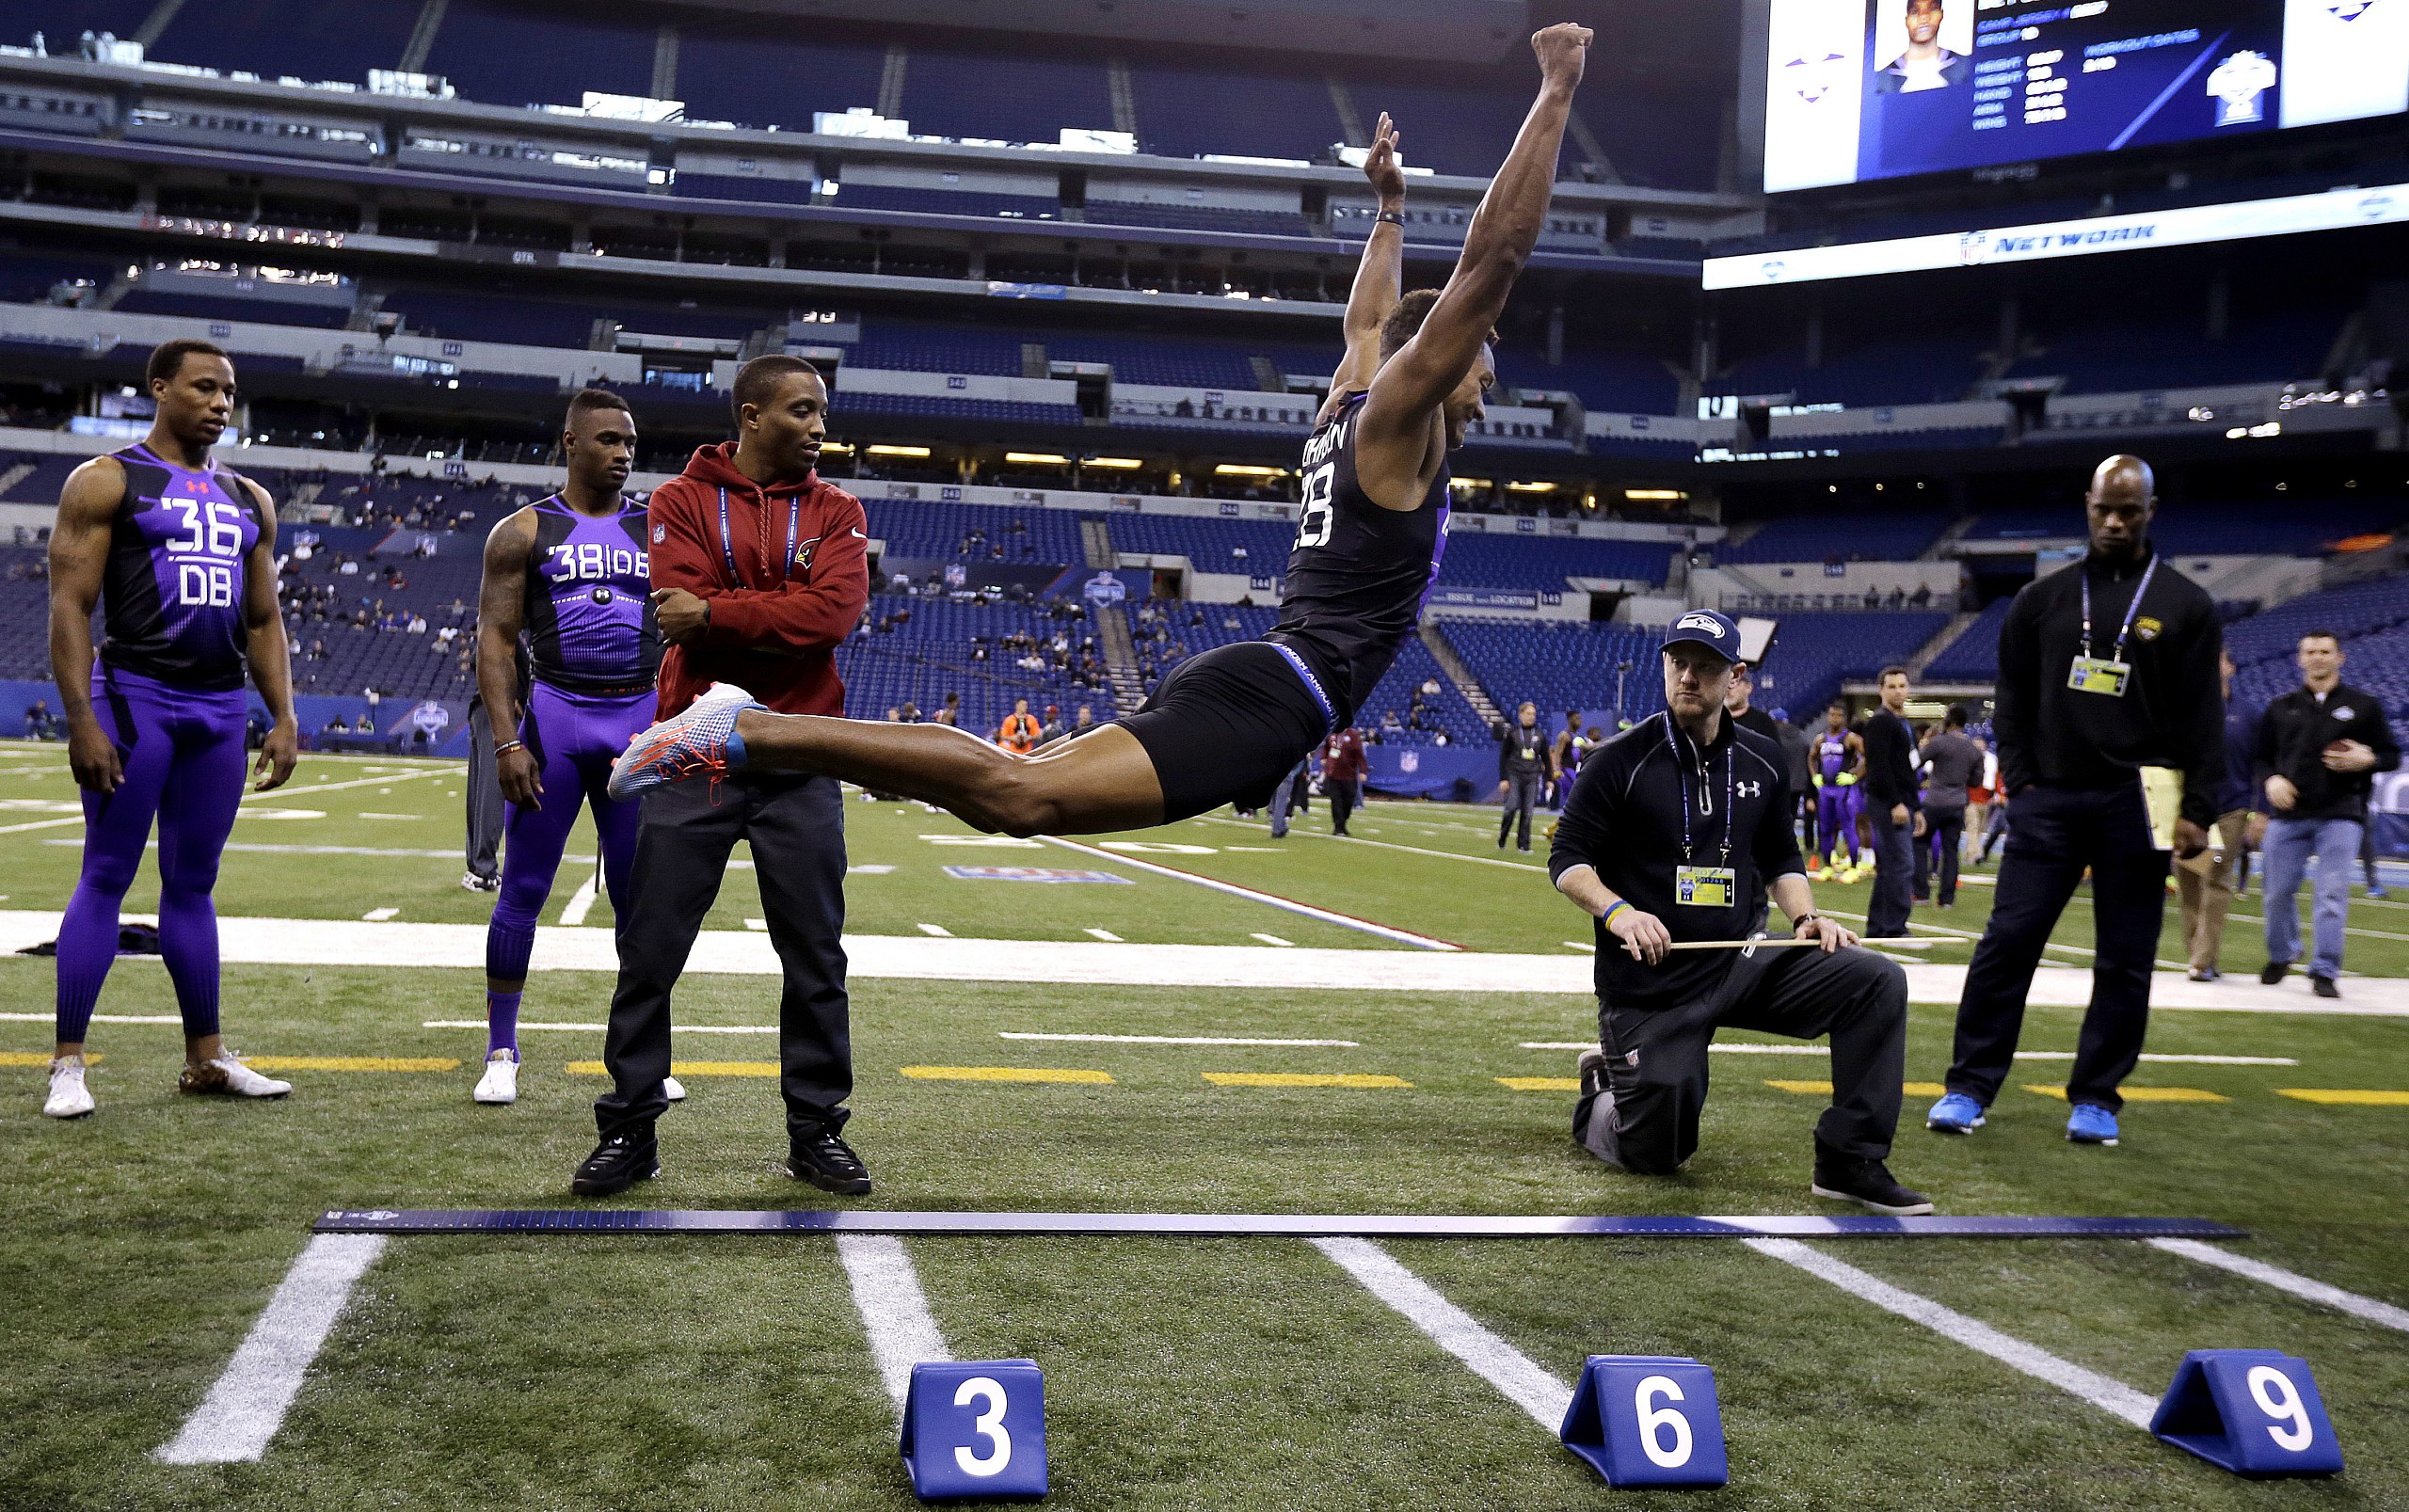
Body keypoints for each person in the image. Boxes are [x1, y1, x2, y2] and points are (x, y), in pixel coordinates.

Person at [605, 24, 1596, 849]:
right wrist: (1554, 88)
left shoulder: (1349, 402)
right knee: (1018, 796)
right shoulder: (1393, 419)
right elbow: (1493, 258)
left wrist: (1386, 209)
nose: (1482, 398)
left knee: (1010, 792)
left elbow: (1365, 327)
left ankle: (809, 745)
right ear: (1439, 361)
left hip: (1259, 671)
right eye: (1480, 375)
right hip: (1279, 693)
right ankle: (752, 730)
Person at [572, 355, 870, 1199]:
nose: (820, 426)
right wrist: (751, 617)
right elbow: (679, 614)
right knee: (651, 949)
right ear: (750, 414)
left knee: (815, 955)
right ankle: (630, 1130)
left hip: (802, 752)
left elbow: (832, 616)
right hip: (694, 751)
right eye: (803, 411)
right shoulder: (677, 500)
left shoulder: (839, 508)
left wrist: (725, 613)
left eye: (822, 412)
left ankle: (816, 1131)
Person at [1550, 610, 1927, 1214]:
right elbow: (1568, 860)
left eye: (1706, 667)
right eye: (1679, 664)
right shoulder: (1618, 759)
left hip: (1741, 959)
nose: (1690, 678)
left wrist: (1807, 921)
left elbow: (1781, 856)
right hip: (1653, 984)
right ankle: (1601, 1091)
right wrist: (1618, 911)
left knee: (1874, 980)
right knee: (1656, 1152)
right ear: (1665, 667)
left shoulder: (1763, 757)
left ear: (1735, 676)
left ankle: (1849, 1159)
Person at [40, 337, 299, 1119]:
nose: (221, 402)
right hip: (134, 699)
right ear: (159, 388)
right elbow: (68, 607)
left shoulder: (251, 498)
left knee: (193, 885)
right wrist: (82, 718)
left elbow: (264, 619)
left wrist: (283, 715)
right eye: (204, 387)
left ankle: (206, 1059)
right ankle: (67, 1065)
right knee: (107, 874)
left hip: (220, 713)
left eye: (229, 390)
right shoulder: (107, 479)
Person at [1928, 455, 2219, 1147]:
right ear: (2087, 507)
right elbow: (2013, 702)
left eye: (2130, 510)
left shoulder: (2186, 605)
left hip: (2140, 801)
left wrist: (2198, 809)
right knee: (2008, 942)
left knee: (2125, 956)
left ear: (2152, 510)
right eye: (2104, 510)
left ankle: (2097, 1096)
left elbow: (2201, 716)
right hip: (2049, 799)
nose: (2116, 522)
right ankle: (1969, 1084)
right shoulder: (2042, 601)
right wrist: (2023, 786)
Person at [471, 390, 666, 1106]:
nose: (622, 453)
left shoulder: (661, 530)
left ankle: (644, 1054)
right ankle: (500, 1047)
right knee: (522, 888)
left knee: (641, 901)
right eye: (609, 439)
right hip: (555, 717)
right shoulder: (522, 531)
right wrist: (506, 738)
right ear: (570, 443)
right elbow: (493, 639)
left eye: (631, 443)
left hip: (637, 722)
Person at [2255, 630, 2399, 997]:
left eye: (2325, 652)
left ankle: (2324, 969)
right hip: (2289, 815)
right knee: (2275, 892)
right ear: (2299, 659)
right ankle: (2283, 953)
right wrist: (2271, 780)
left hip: (2342, 813)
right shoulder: (2281, 706)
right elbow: (2261, 756)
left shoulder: (2364, 706)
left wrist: (2368, 759)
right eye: (2310, 652)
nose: (2318, 658)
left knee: (2331, 893)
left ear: (2340, 658)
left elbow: (2390, 754)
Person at [2176, 649, 2260, 981]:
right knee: (2188, 882)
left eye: (2217, 661)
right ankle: (2201, 954)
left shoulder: (2249, 714)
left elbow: (2261, 763)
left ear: (2231, 667)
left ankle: (2201, 959)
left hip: (2232, 808)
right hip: (2190, 810)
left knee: (2218, 878)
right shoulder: (2184, 711)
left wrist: (2260, 811)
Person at [1861, 666, 1922, 937]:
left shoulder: (1903, 723)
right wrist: (1896, 803)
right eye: (1892, 686)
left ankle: (1878, 927)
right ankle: (1895, 927)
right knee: (1901, 864)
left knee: (1890, 866)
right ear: (1881, 690)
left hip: (1902, 801)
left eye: (1902, 686)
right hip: (1888, 802)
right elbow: (1879, 767)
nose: (1898, 691)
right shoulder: (1880, 722)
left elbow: (1907, 769)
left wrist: (1916, 807)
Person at [1916, 706, 1981, 909]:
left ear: (1949, 721)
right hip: (1957, 804)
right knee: (1951, 852)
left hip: (1934, 801)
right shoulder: (1973, 749)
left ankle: (1920, 893)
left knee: (1919, 843)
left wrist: (1925, 742)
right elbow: (1976, 781)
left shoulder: (1940, 743)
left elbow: (1918, 761)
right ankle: (1946, 899)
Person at [1811, 701, 1865, 881]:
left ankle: (1854, 867)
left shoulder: (1850, 738)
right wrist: (1814, 776)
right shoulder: (1821, 738)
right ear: (1827, 716)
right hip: (1826, 790)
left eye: (1838, 715)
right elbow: (1811, 757)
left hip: (1844, 790)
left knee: (1849, 827)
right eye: (1832, 714)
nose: (1834, 718)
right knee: (1825, 828)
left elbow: (1868, 757)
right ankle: (1827, 866)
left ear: (1844, 718)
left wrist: (1855, 776)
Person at [1874, 0, 1968, 92]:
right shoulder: (1883, 79)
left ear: (1941, 14)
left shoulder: (1964, 66)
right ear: (1907, 19)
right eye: (1914, 11)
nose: (1924, 17)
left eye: (1932, 8)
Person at [1496, 700, 1548, 852]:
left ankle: (1524, 844)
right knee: (1511, 807)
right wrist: (1503, 778)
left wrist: (1549, 779)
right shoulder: (1513, 734)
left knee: (1528, 811)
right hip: (1515, 774)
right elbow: (1503, 756)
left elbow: (1545, 757)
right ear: (1520, 715)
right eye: (1528, 714)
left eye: (1533, 714)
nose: (1531, 717)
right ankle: (1503, 837)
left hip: (1532, 775)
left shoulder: (1539, 735)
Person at [1323, 724, 1366, 835]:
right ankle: (1338, 826)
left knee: (1348, 800)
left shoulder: (1353, 735)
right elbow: (1326, 748)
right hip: (1333, 774)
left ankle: (1343, 822)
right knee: (1336, 800)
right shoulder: (1331, 734)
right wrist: (1324, 758)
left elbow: (1359, 754)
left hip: (1349, 774)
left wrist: (1363, 771)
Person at [1724, 661, 1779, 744]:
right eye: (1726, 683)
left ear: (1749, 688)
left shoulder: (1763, 721)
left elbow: (1773, 755)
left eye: (1736, 683)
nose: (1729, 688)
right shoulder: (1715, 719)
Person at [1550, 708, 1582, 809]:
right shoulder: (1564, 735)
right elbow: (1558, 753)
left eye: (1580, 718)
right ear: (1570, 720)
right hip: (1566, 771)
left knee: (1575, 799)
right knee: (1572, 799)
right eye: (1576, 718)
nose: (1579, 721)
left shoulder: (1577, 736)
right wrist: (1557, 769)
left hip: (1574, 769)